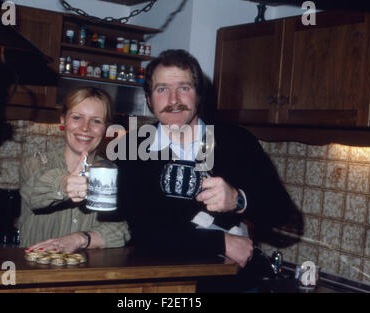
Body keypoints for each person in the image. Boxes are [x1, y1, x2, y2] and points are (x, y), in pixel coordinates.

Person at [115, 50, 296, 291]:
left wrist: (239, 199)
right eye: (162, 89)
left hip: (229, 284)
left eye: (184, 88)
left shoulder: (235, 141)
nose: (173, 99)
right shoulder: (133, 148)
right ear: (149, 99)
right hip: (159, 285)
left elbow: (282, 213)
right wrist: (220, 242)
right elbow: (142, 231)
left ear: (199, 95)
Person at [18, 87, 131, 252]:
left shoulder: (112, 173)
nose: (85, 128)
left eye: (96, 121)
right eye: (77, 117)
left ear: (106, 128)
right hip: (37, 272)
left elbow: (122, 229)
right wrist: (64, 184)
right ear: (63, 121)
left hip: (86, 274)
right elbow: (33, 192)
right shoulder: (35, 163)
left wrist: (80, 239)